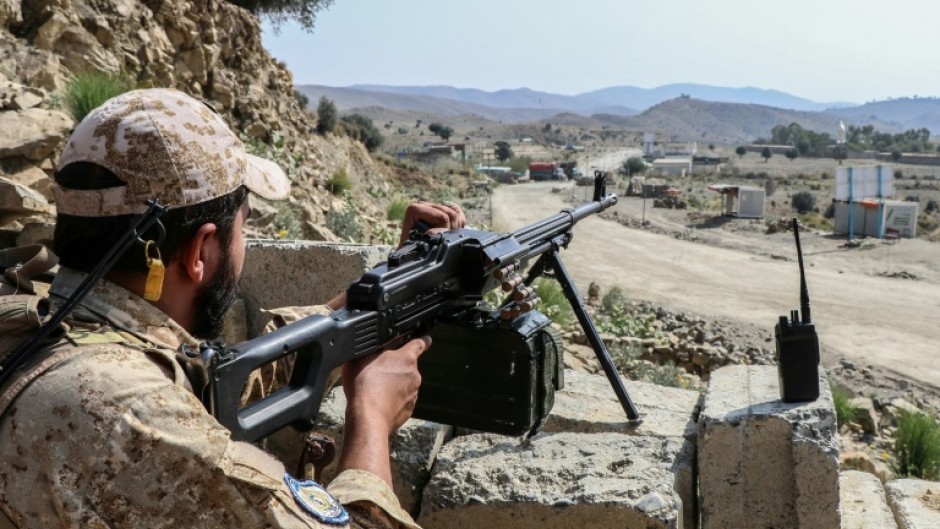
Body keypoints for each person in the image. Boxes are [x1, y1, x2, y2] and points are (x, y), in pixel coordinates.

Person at [0, 88, 465, 529]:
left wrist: (383, 286)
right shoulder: (130, 417)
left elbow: (208, 377)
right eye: (243, 226)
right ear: (200, 251)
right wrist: (372, 418)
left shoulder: (42, 320)